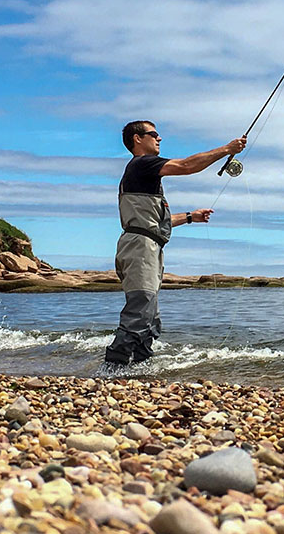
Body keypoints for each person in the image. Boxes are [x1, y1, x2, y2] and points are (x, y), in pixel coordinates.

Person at [104, 120, 247, 369]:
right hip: (140, 248)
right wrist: (227, 149)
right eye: (154, 134)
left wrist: (191, 217)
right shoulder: (142, 164)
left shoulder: (141, 173)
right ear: (138, 139)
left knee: (149, 315)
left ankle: (138, 368)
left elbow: (155, 221)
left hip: (145, 245)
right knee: (140, 309)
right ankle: (112, 370)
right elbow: (186, 166)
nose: (159, 139)